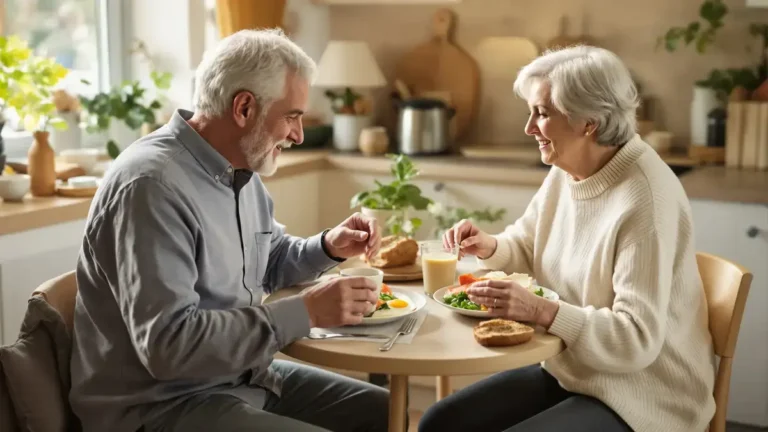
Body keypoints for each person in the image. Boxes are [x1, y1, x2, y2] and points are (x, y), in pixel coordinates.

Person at [70, 29, 390, 432]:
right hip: (160, 409)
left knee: (388, 414)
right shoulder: (151, 187)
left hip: (242, 379)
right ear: (243, 108)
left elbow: (267, 259)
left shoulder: (238, 166)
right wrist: (307, 311)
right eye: (291, 116)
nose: (299, 134)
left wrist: (328, 247)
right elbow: (169, 345)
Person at [419, 46, 716, 432]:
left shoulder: (645, 197)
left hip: (647, 395)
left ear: (588, 122)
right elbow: (527, 245)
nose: (529, 127)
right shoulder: (569, 167)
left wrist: (541, 311)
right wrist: (490, 246)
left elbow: (636, 340)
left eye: (541, 113)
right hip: (574, 372)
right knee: (441, 422)